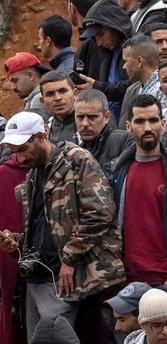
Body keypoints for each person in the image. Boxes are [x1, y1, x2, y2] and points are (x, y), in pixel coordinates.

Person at [1, 111, 125, 336]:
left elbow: (101, 214)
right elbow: (42, 231)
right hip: (37, 277)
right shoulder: (33, 174)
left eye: (23, 150)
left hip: (62, 277)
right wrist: (16, 242)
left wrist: (69, 258)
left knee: (53, 337)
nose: (19, 159)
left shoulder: (76, 160)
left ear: (41, 135)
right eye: (14, 153)